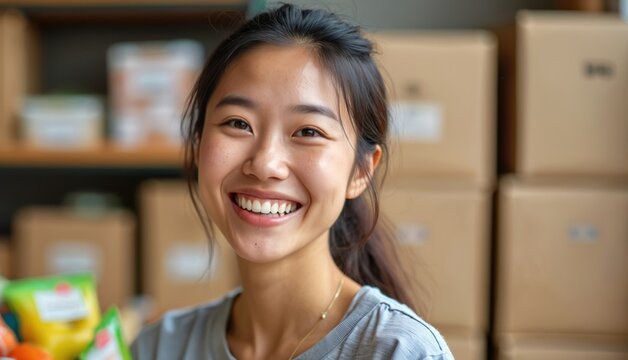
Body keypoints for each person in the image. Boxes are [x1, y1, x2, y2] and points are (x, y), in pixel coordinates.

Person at [131, 3, 453, 360]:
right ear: (198, 141)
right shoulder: (157, 347)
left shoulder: (397, 351)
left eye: (308, 131)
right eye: (238, 123)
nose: (266, 163)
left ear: (361, 170)